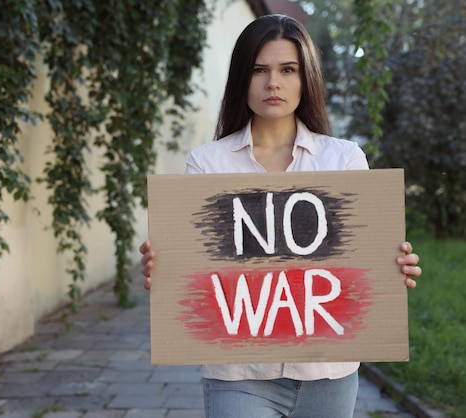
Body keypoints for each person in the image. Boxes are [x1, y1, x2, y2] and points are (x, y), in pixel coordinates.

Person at [139, 14, 422, 418]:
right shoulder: (207, 165)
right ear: (242, 78)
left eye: (288, 70)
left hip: (329, 375)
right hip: (238, 375)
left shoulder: (344, 160)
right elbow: (193, 270)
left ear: (305, 78)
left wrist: (394, 267)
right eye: (260, 70)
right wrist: (167, 269)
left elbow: (365, 261)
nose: (274, 82)